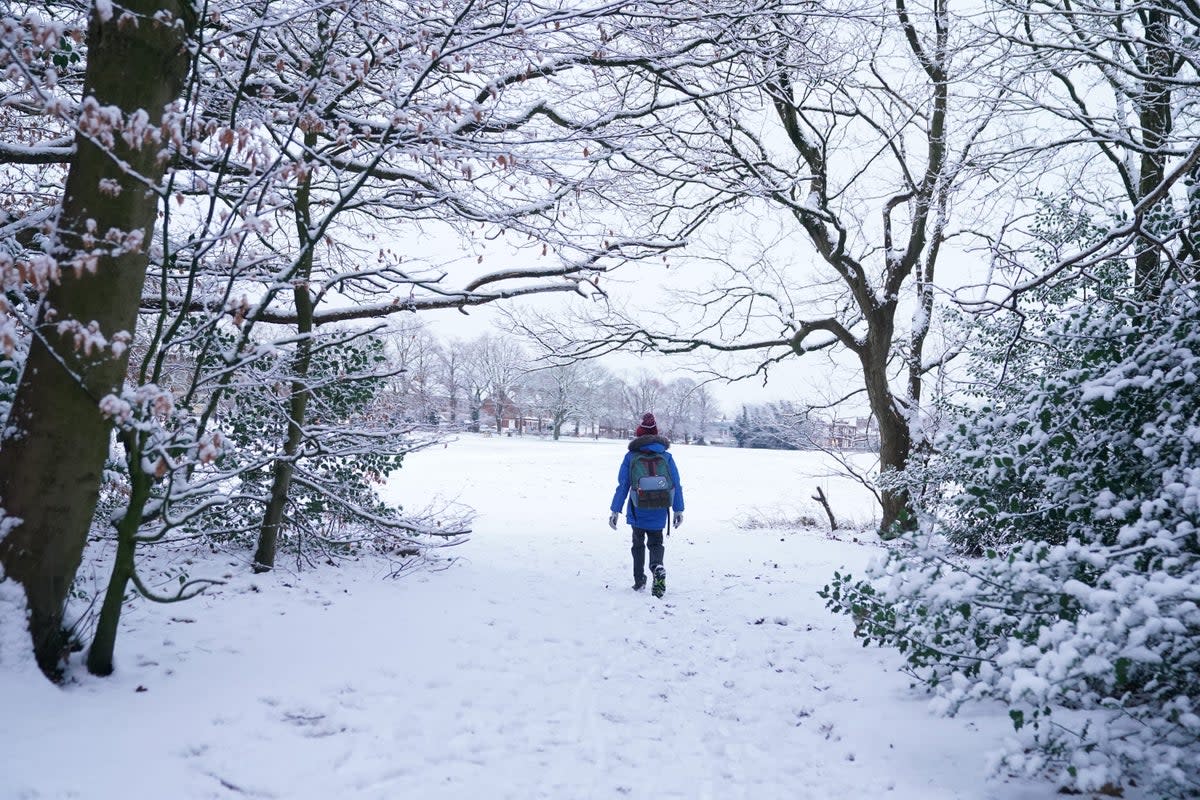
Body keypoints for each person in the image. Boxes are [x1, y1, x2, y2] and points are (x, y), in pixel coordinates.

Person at [608, 413, 684, 597]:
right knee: (656, 542)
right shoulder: (666, 456)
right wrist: (678, 509)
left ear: (639, 434)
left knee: (638, 544)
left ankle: (639, 580)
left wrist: (615, 510)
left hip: (638, 507)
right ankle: (657, 566)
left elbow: (623, 485)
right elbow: (676, 483)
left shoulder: (631, 456)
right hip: (660, 506)